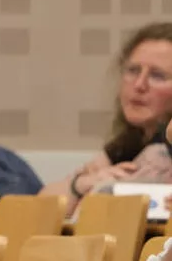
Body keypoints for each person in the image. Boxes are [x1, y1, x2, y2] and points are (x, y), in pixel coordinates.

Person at [40, 22, 172, 215]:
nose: (139, 85)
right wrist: (80, 185)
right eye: (133, 70)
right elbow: (40, 207)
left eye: (157, 75)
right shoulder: (130, 141)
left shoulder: (161, 149)